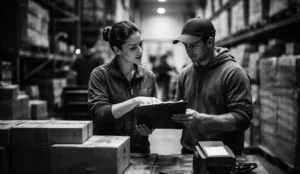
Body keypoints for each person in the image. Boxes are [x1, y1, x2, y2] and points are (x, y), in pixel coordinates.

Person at [171, 17, 253, 155]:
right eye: (185, 46)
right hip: (188, 154)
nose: (188, 51)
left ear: (209, 42)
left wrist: (201, 119)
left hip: (223, 157)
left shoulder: (233, 73)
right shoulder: (185, 73)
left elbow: (243, 119)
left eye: (193, 45)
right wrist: (154, 119)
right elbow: (178, 113)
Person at [88, 21, 161, 153]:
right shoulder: (100, 75)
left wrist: (149, 128)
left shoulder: (148, 76)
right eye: (133, 48)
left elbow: (153, 115)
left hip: (139, 150)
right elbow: (100, 114)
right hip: (108, 150)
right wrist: (135, 101)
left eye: (141, 45)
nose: (140, 51)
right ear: (117, 50)